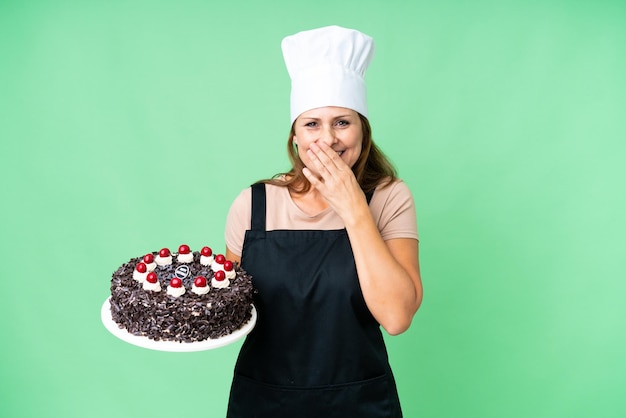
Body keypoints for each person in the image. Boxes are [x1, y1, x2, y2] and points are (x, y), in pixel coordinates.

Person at [224, 25, 423, 417]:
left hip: (359, 403)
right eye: (312, 124)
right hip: (264, 402)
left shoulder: (388, 197)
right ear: (295, 136)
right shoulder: (253, 205)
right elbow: (226, 309)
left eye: (342, 122)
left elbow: (397, 317)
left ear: (362, 130)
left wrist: (353, 208)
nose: (328, 139)